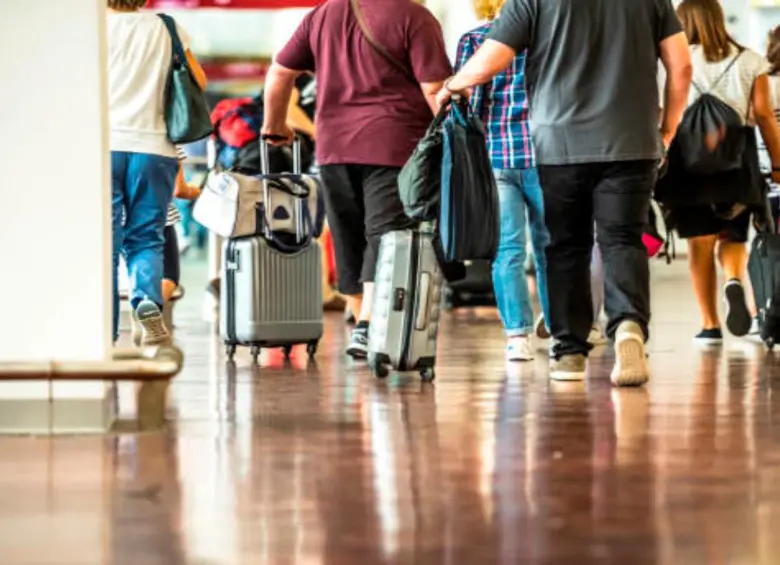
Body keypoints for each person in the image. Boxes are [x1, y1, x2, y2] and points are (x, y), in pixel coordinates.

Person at [436, 0, 693, 385]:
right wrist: (669, 126)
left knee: (565, 245)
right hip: (632, 139)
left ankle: (569, 351)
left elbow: (495, 55)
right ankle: (627, 325)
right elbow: (682, 65)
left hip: (559, 142)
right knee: (622, 239)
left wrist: (454, 83)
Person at [262, 0, 452, 359]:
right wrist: (454, 143)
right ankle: (366, 324)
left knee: (347, 231)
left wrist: (274, 126)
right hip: (395, 143)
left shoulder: (321, 15)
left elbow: (279, 73)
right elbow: (434, 89)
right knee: (385, 232)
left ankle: (361, 313)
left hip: (334, 145)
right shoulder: (413, 16)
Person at [658, 0, 780, 345]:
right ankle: (733, 280)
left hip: (687, 164)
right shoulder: (750, 59)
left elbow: (658, 110)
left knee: (699, 243)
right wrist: (778, 162)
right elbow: (763, 116)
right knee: (733, 235)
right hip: (736, 162)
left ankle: (709, 326)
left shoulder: (668, 60)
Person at [454, 0, 550, 362]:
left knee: (507, 250)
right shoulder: (545, 37)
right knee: (550, 249)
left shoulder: (474, 40)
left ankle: (517, 337)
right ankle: (558, 328)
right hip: (545, 155)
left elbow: (470, 102)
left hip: (495, 157)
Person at [107, 0, 207, 346]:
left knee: (106, 239)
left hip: (104, 146)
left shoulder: (93, 31)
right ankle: (147, 303)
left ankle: (104, 328)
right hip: (155, 148)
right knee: (147, 236)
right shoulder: (167, 26)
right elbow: (199, 80)